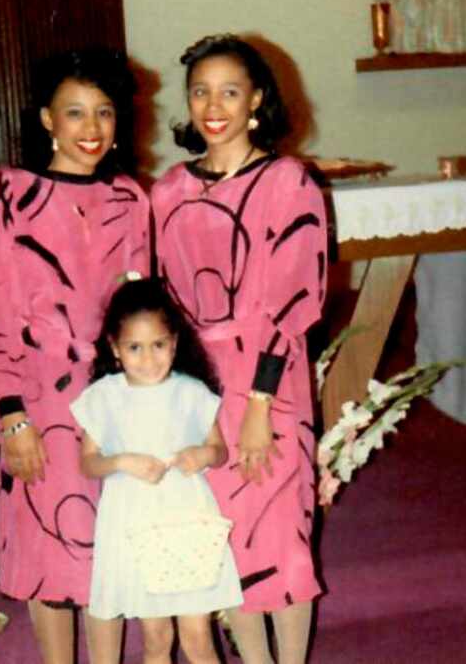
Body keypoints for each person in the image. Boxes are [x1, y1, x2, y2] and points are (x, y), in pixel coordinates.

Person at [0, 48, 150, 663]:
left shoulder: (129, 198)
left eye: (104, 112)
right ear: (46, 118)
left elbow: (141, 306)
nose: (92, 128)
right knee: (49, 546)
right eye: (75, 113)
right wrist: (13, 414)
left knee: (109, 540)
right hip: (38, 396)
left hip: (115, 395)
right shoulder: (5, 196)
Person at [150, 34, 329, 664]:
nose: (213, 105)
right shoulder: (168, 189)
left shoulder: (288, 181)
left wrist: (258, 404)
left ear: (256, 99)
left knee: (281, 537)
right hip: (198, 386)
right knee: (227, 543)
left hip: (268, 382)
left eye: (229, 90)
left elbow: (294, 301)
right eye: (201, 91)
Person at [70, 278, 243, 664]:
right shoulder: (104, 397)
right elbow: (87, 462)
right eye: (135, 348)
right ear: (115, 348)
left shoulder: (191, 392)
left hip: (187, 519)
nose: (149, 359)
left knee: (198, 637)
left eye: (158, 345)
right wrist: (120, 461)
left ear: (175, 343)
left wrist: (202, 455)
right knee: (156, 637)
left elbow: (218, 450)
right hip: (135, 524)